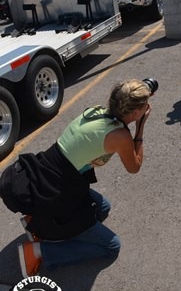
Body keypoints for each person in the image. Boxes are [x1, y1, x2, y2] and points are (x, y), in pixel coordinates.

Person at [0, 79, 156, 278]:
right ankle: (39, 251)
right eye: (142, 109)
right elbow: (134, 167)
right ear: (135, 113)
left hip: (45, 174)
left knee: (103, 208)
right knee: (111, 246)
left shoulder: (97, 112)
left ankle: (38, 222)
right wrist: (140, 127)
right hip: (57, 191)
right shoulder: (120, 135)